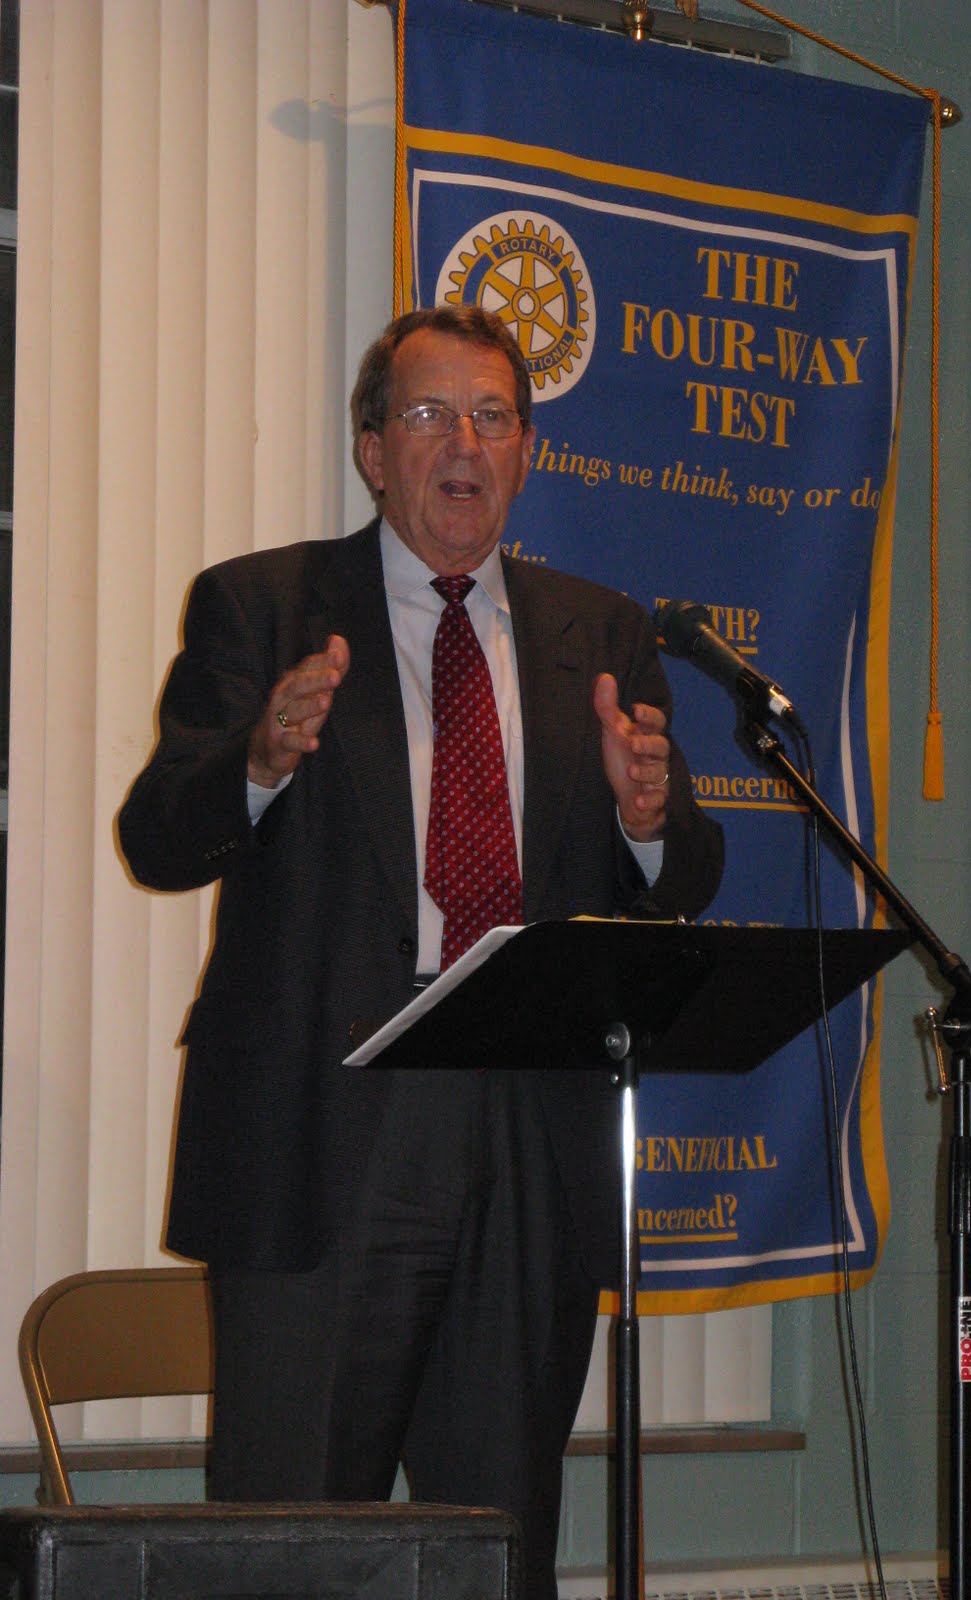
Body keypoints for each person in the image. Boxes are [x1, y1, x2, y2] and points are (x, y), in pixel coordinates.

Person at [118, 304, 723, 1600]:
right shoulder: (264, 606)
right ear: (372, 450)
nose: (464, 443)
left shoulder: (602, 636)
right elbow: (157, 836)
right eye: (430, 414)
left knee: (494, 1547)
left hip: (528, 1133)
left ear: (526, 453)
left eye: (494, 417)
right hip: (325, 1129)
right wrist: (260, 761)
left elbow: (685, 876)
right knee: (287, 1548)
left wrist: (647, 822)